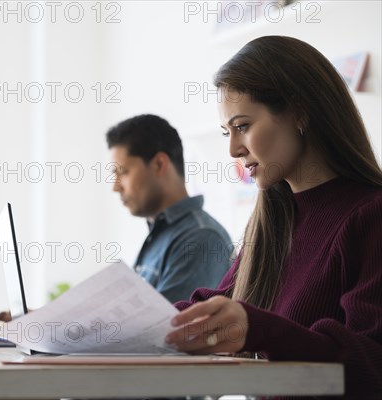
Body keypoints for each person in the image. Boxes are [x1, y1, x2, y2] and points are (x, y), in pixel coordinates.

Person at [165, 36, 382, 399]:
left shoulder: (370, 217)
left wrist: (257, 328)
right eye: (227, 132)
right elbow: (214, 306)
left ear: (299, 112)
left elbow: (371, 365)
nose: (233, 149)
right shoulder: (271, 222)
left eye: (243, 126)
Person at [106, 114, 233, 303]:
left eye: (123, 172)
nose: (115, 187)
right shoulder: (162, 235)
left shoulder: (201, 239)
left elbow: (162, 329)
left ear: (159, 164)